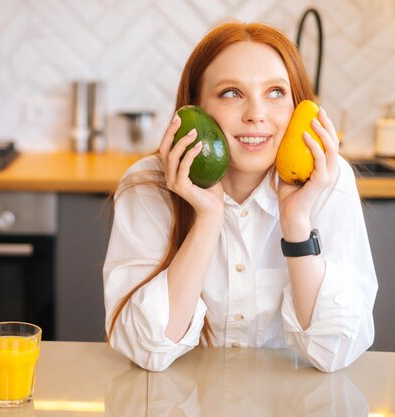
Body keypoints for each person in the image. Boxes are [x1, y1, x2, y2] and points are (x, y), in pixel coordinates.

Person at [103, 21, 378, 373]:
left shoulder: (328, 181)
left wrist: (295, 223)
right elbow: (145, 350)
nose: (256, 114)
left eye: (276, 92)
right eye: (231, 92)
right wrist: (208, 219)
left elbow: (335, 352)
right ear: (195, 109)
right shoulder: (148, 184)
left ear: (297, 105)